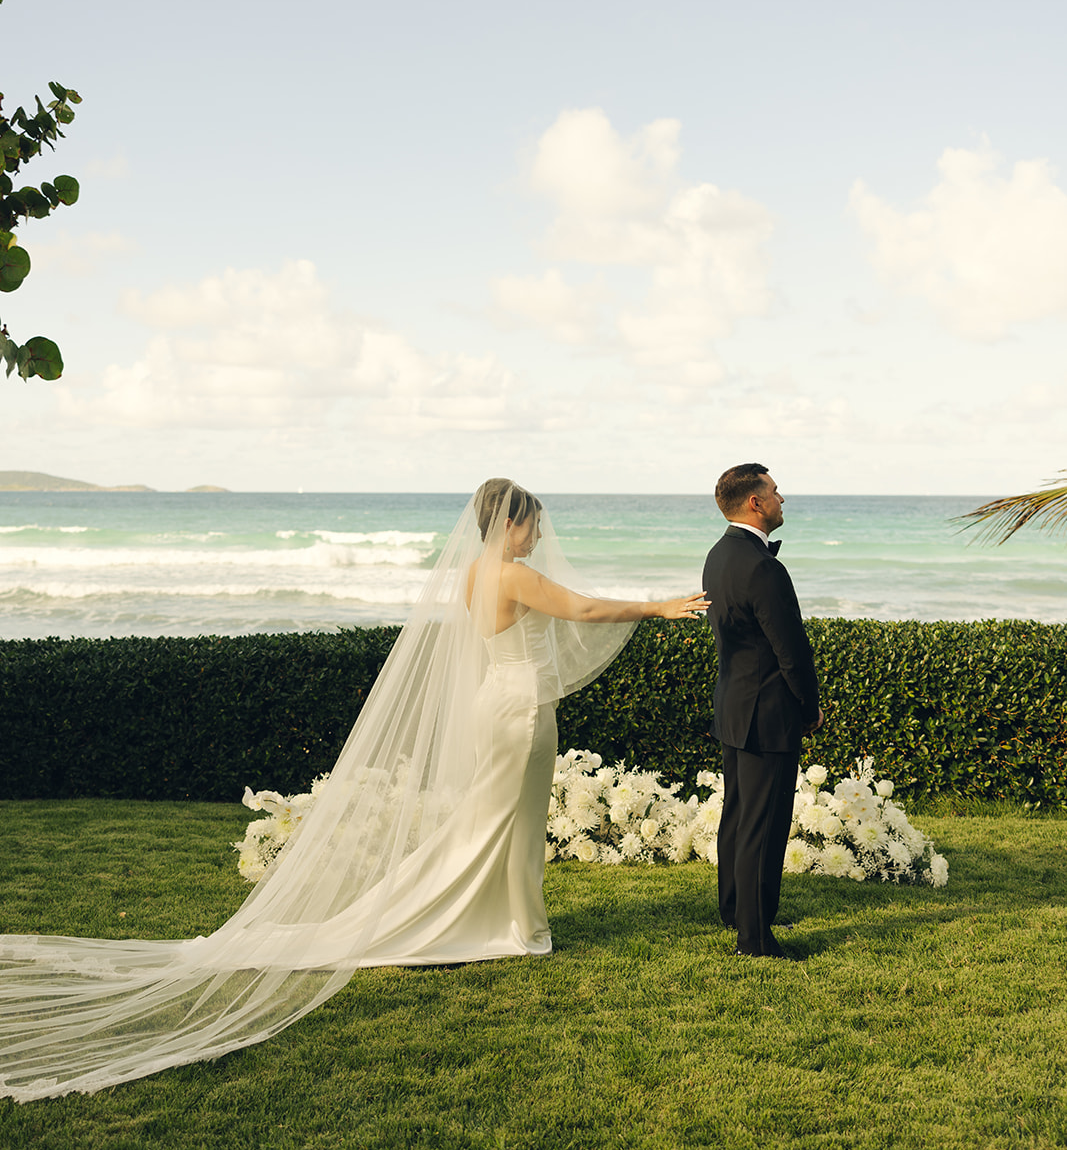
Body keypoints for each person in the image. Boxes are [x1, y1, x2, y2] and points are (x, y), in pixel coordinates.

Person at [0, 478, 706, 1101]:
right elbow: (580, 611)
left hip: (500, 698)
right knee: (504, 823)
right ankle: (513, 926)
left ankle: (513, 921)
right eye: (535, 521)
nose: (542, 532)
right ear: (511, 522)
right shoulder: (512, 574)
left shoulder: (470, 573)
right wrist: (659, 607)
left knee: (492, 820)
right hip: (518, 709)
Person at [702, 464, 822, 959]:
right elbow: (790, 648)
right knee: (762, 823)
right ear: (755, 502)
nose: (781, 498)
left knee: (738, 815)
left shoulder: (718, 554)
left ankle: (736, 909)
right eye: (774, 491)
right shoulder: (763, 567)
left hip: (734, 705)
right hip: (767, 711)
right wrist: (809, 705)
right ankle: (753, 938)